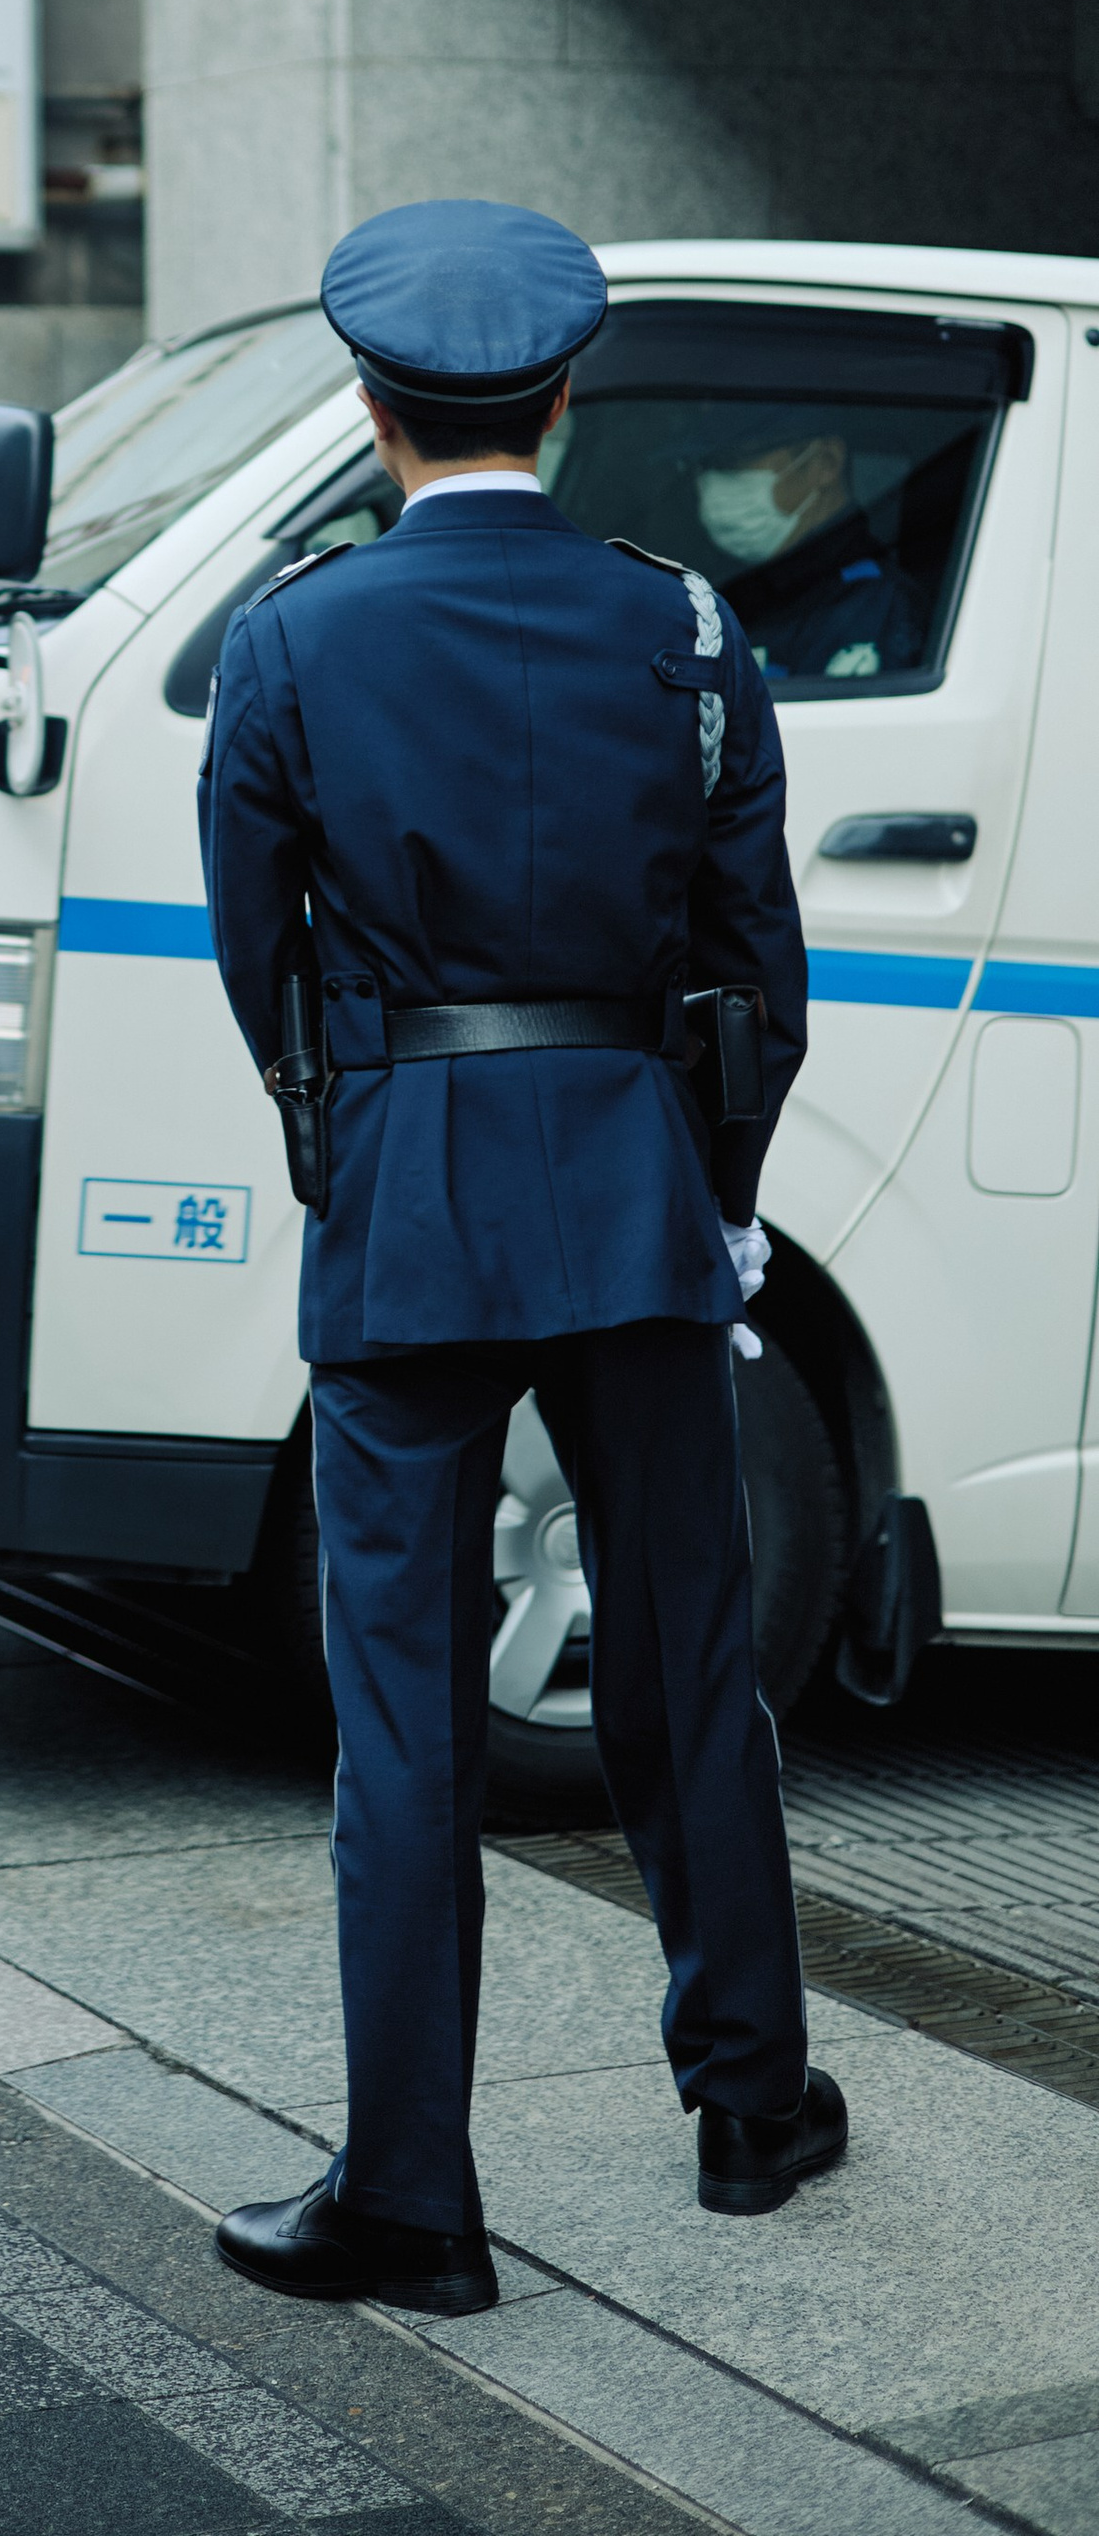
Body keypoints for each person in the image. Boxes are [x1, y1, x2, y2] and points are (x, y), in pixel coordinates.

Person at [197, 198, 840, 2322]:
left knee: (400, 1713)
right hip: (632, 1184)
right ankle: (750, 2103)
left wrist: (338, 1147)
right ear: (564, 401)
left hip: (405, 1202)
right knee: (683, 1662)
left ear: (367, 408)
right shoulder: (673, 627)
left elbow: (255, 959)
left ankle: (408, 2197)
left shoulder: (295, 638)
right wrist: (711, 1184)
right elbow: (757, 964)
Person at [691, 420, 928, 684]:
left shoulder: (873, 604)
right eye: (705, 466)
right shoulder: (733, 588)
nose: (713, 483)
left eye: (734, 462)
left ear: (825, 462)